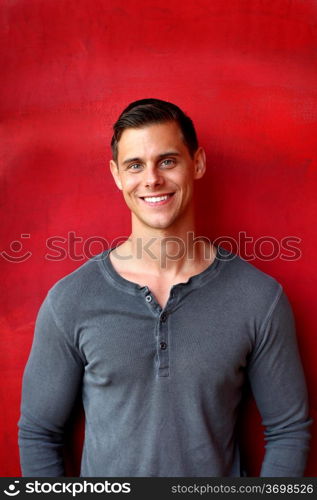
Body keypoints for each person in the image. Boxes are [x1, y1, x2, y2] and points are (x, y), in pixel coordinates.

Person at [18, 98, 311, 477]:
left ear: (198, 163)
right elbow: (39, 433)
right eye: (135, 165)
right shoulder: (71, 300)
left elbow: (289, 430)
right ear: (117, 175)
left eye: (168, 161)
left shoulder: (258, 298)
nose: (152, 179)